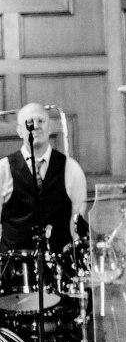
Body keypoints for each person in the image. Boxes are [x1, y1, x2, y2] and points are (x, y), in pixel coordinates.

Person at [1, 103, 88, 255]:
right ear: (19, 131)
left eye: (41, 121)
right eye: (29, 122)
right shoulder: (3, 169)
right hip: (14, 265)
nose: (35, 126)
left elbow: (76, 225)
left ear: (50, 128)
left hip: (59, 264)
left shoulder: (71, 169)